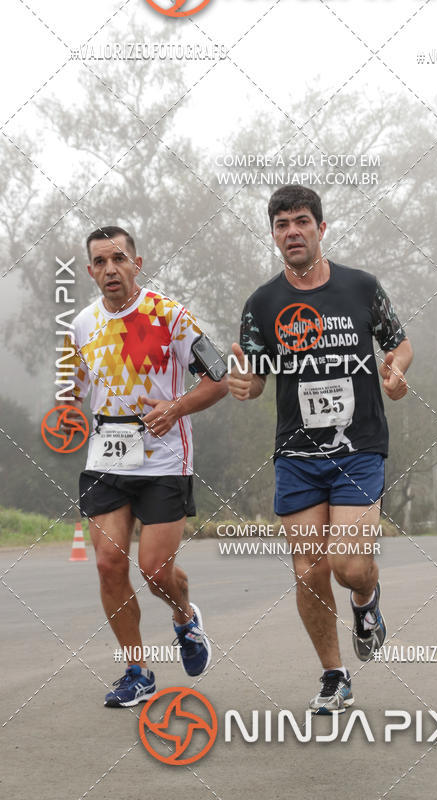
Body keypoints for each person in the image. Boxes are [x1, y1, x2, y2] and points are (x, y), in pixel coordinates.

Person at [229, 185, 413, 714]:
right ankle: (335, 675)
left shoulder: (360, 288)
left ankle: (366, 600)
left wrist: (396, 370)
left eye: (302, 221)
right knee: (308, 568)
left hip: (358, 448)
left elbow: (399, 343)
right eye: (282, 224)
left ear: (321, 229)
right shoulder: (262, 303)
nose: (292, 231)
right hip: (297, 454)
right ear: (273, 235)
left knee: (347, 565)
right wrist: (244, 383)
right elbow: (256, 377)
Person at [69, 226, 227, 707]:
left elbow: (219, 380)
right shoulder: (80, 326)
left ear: (137, 262)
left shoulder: (171, 316)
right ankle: (137, 671)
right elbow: (78, 391)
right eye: (100, 261)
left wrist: (176, 407)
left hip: (164, 460)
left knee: (156, 571)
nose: (110, 268)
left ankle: (184, 619)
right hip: (106, 460)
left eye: (119, 258)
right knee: (107, 564)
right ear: (91, 270)